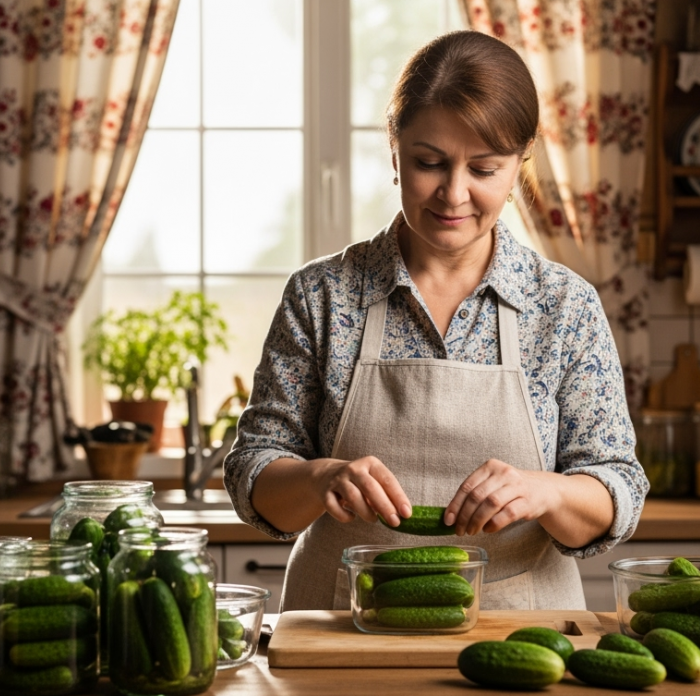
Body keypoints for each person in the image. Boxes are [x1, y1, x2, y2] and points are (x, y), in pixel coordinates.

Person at [223, 30, 647, 612]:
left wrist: (544, 490)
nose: (454, 193)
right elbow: (255, 472)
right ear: (393, 152)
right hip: (342, 626)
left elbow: (616, 490)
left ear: (521, 164)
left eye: (484, 168)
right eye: (430, 163)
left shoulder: (564, 307)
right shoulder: (322, 295)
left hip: (522, 627)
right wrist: (319, 480)